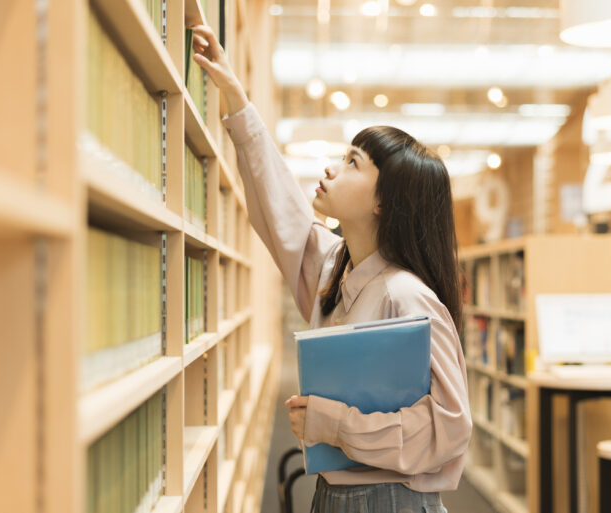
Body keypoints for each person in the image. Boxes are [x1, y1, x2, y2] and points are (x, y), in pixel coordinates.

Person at [191, 24, 472, 513]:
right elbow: (282, 213)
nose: (330, 170)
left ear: (385, 201)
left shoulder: (406, 296)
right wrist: (236, 100)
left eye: (352, 163)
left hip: (391, 501)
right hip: (336, 496)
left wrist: (335, 424)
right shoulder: (334, 270)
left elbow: (450, 426)